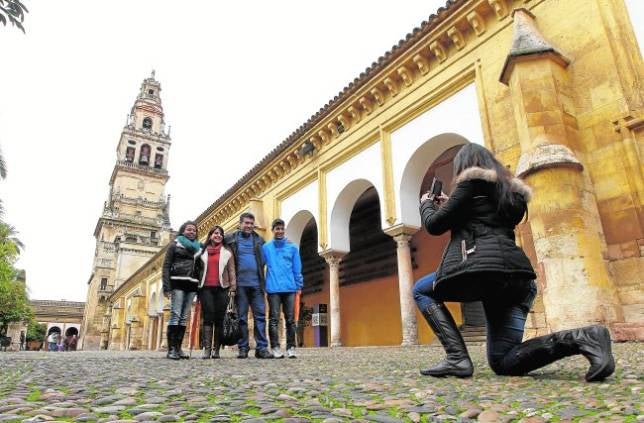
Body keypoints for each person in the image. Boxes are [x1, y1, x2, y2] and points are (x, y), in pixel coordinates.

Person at [413, 143, 614, 382]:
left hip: (482, 271)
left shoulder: (470, 184)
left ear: (464, 166)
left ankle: (457, 358)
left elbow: (434, 225)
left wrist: (426, 203)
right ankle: (584, 337)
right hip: (516, 279)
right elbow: (481, 214)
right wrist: (452, 202)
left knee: (421, 290)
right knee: (504, 361)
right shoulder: (510, 194)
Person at [224, 212, 272, 359]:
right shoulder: (230, 239)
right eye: (246, 223)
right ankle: (243, 347)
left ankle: (262, 348)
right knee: (242, 318)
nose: (249, 226)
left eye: (251, 223)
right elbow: (215, 243)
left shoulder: (259, 240)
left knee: (260, 317)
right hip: (240, 285)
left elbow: (265, 260)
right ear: (240, 224)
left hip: (257, 284)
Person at [262, 218, 303, 359]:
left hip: (290, 288)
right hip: (273, 289)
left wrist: (299, 285)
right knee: (273, 319)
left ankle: (291, 347)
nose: (279, 231)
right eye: (277, 228)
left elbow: (297, 268)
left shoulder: (292, 248)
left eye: (281, 228)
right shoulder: (266, 248)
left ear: (284, 230)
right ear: (272, 230)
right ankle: (275, 347)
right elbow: (260, 265)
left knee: (290, 319)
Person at [195, 225, 236, 359]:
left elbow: (231, 269)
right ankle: (207, 349)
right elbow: (197, 269)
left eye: (220, 234)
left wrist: (233, 286)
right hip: (206, 288)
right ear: (210, 235)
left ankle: (216, 350)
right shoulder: (202, 251)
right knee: (208, 317)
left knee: (219, 319)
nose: (218, 235)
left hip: (222, 288)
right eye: (215, 233)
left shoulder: (227, 251)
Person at [163, 221, 201, 360]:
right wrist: (167, 287)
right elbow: (166, 266)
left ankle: (178, 348)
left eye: (194, 230)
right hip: (177, 282)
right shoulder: (175, 244)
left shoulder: (198, 247)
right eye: (189, 229)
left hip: (192, 285)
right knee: (176, 315)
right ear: (183, 231)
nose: (192, 232)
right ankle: (171, 349)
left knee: (184, 317)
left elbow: (200, 267)